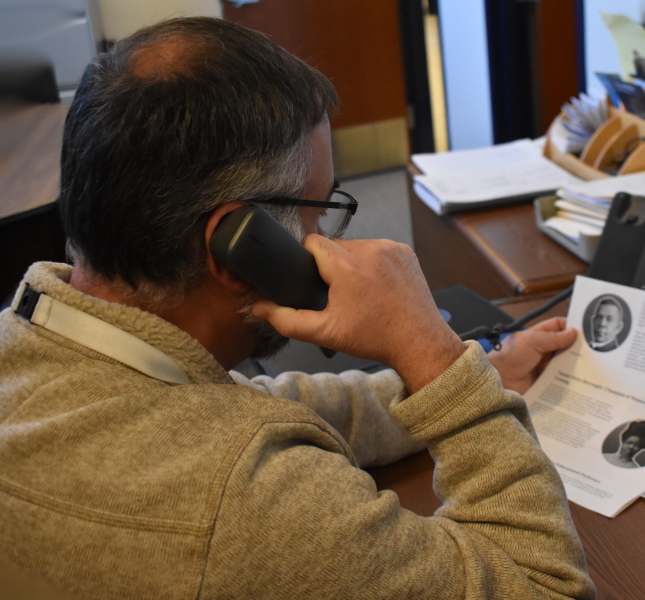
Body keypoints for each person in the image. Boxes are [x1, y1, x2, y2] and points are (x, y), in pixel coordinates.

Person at [0, 17, 595, 600]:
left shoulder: (42, 341)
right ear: (240, 251)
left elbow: (253, 408)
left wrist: (476, 376)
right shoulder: (246, 504)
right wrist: (431, 354)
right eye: (320, 211)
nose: (332, 243)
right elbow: (543, 585)